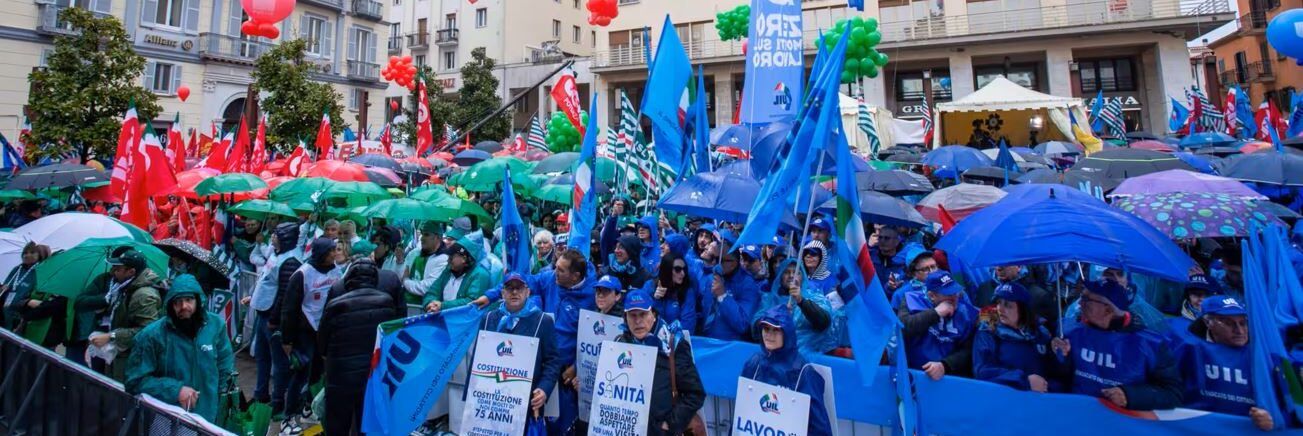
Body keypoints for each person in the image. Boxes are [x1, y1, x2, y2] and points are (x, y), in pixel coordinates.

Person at [472, 249, 595, 435]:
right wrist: (490, 296)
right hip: (537, 364)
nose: (555, 272)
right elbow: (521, 282)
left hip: (565, 373)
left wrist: (578, 366)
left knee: (560, 426)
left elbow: (593, 340)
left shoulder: (592, 297)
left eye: (561, 270)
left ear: (575, 276)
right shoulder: (549, 279)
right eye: (556, 267)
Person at [1050, 279, 1183, 410]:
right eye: (1081, 297)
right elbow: (1058, 379)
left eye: (1086, 299)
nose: (1079, 303)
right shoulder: (1069, 330)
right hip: (1077, 415)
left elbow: (1172, 393)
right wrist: (1062, 359)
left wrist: (1130, 396)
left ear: (1108, 310)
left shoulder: (1152, 344)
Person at [124, 275, 235, 423]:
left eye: (189, 300)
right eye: (178, 302)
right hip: (167, 417)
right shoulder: (151, 336)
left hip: (209, 417)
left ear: (198, 301)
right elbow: (134, 381)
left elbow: (225, 366)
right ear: (170, 305)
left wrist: (221, 400)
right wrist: (175, 390)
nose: (184, 306)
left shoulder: (216, 326)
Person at [317, 258, 403, 435]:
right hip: (372, 375)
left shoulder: (335, 305)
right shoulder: (387, 302)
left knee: (337, 424)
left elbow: (322, 342)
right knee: (367, 423)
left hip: (340, 377)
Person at [1171, 295, 1274, 430]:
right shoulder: (1187, 350)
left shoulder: (1263, 356)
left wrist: (1274, 419)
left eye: (1243, 323)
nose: (1239, 330)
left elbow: (1289, 403)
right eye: (1229, 323)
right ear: (1208, 322)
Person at [276, 238, 345, 435]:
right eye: (332, 250)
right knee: (300, 375)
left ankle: (307, 408)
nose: (335, 253)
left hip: (324, 333)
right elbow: (288, 308)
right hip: (303, 332)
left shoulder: (336, 271)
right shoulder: (302, 274)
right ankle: (288, 418)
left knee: (317, 374)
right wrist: (287, 339)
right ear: (322, 252)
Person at [474, 273, 561, 428]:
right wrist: (472, 392)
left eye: (519, 288)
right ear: (502, 293)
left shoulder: (543, 321)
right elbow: (477, 359)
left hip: (526, 402)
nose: (514, 292)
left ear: (528, 292)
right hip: (491, 400)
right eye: (509, 288)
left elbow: (552, 361)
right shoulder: (488, 319)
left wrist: (544, 389)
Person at [615, 290, 705, 435]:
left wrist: (670, 423)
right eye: (632, 315)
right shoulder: (620, 343)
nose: (638, 321)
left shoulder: (674, 344)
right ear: (625, 318)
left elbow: (695, 393)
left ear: (654, 315)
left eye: (643, 314)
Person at [741, 306, 832, 435]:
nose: (769, 335)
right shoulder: (754, 363)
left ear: (787, 333)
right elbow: (741, 414)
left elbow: (820, 429)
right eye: (766, 328)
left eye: (776, 330)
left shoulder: (804, 372)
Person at [80, 249, 164, 381]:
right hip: (120, 358)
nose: (113, 271)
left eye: (118, 268)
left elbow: (147, 331)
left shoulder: (143, 296)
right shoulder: (125, 287)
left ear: (131, 272)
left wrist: (112, 336)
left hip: (132, 363)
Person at [246, 223, 302, 410]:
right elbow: (265, 278)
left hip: (273, 318)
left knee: (279, 362)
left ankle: (278, 400)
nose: (272, 237)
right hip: (263, 312)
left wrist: (274, 320)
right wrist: (252, 297)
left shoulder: (291, 260)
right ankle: (260, 394)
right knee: (262, 357)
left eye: (276, 234)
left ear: (285, 237)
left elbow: (285, 294)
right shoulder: (275, 254)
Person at [972, 283, 1058, 392]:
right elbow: (982, 371)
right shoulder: (988, 330)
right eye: (998, 302)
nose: (1000, 309)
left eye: (1008, 305)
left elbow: (1056, 372)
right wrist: (1024, 380)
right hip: (1006, 400)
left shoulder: (1041, 332)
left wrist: (1063, 355)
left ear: (1022, 309)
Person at [897, 271, 978, 379]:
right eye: (948, 294)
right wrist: (935, 313)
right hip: (914, 373)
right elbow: (902, 328)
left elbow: (969, 349)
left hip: (950, 377)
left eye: (955, 292)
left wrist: (945, 365)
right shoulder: (912, 301)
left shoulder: (968, 313)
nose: (954, 297)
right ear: (932, 295)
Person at [759, 260, 838, 355]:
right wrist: (777, 315)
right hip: (773, 354)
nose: (792, 275)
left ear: (803, 277)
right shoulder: (770, 299)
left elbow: (824, 322)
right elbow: (756, 329)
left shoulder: (814, 297)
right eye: (786, 272)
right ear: (780, 277)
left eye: (797, 272)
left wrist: (801, 301)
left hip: (806, 358)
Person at [974, 264, 1057, 333]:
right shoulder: (983, 290)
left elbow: (1051, 334)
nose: (999, 268)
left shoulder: (1039, 296)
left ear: (1019, 265)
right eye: (996, 261)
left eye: (1005, 262)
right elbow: (978, 327)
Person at [422, 237, 490, 313]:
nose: (448, 261)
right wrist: (430, 304)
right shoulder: (448, 271)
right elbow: (432, 291)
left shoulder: (480, 274)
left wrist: (442, 306)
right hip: (443, 319)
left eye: (451, 257)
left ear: (464, 258)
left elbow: (472, 301)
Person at [643, 252, 698, 333]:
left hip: (675, 340)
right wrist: (656, 301)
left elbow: (688, 325)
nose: (683, 274)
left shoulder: (687, 291)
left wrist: (667, 335)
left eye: (684, 269)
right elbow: (642, 317)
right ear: (667, 269)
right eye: (678, 269)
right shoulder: (650, 286)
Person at [2, 242, 48, 330]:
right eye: (25, 253)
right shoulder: (17, 269)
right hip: (7, 309)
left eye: (32, 252)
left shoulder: (41, 272)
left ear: (41, 254)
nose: (27, 255)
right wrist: (4, 287)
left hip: (23, 313)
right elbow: (6, 284)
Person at [402, 222, 448, 304]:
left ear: (438, 237)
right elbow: (402, 274)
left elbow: (427, 288)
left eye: (426, 235)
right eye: (422, 234)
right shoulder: (414, 253)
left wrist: (406, 281)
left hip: (426, 309)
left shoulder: (444, 259)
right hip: (405, 304)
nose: (422, 238)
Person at [1165, 274, 1221, 342]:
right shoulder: (1172, 323)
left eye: (1207, 294)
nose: (1202, 299)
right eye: (1196, 294)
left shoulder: (1227, 325)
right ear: (1188, 296)